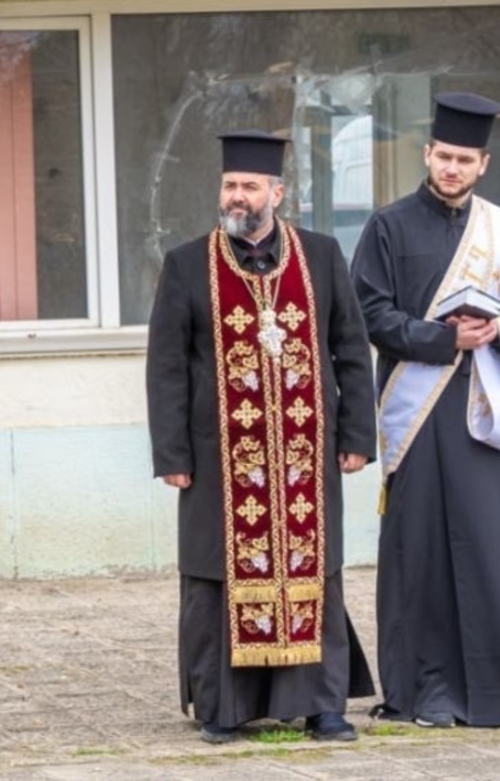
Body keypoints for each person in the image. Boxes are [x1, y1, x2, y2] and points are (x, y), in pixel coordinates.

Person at [146, 131, 377, 745]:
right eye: (230, 185)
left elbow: (352, 349)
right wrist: (171, 454)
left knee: (313, 570)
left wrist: (358, 434)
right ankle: (224, 707)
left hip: (306, 456)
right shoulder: (187, 264)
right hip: (218, 460)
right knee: (218, 575)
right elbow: (166, 366)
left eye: (250, 186)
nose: (237, 196)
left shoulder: (321, 256)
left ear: (277, 193)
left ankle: (321, 705)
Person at [349, 92, 500, 729]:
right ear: (427, 154)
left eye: (465, 159)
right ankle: (423, 693)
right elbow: (368, 313)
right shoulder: (387, 227)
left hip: (482, 409)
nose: (452, 168)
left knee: (493, 548)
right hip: (417, 412)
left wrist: (498, 328)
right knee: (421, 551)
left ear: (483, 164)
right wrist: (444, 340)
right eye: (443, 156)